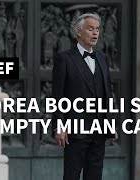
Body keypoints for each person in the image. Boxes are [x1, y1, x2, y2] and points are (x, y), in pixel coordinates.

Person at [51, 13, 117, 180]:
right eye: (90, 29)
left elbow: (107, 93)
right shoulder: (64, 59)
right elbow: (57, 96)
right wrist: (59, 125)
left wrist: (110, 122)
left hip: (99, 130)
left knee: (95, 176)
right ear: (78, 32)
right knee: (72, 176)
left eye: (97, 29)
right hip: (75, 131)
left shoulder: (102, 58)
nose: (95, 33)